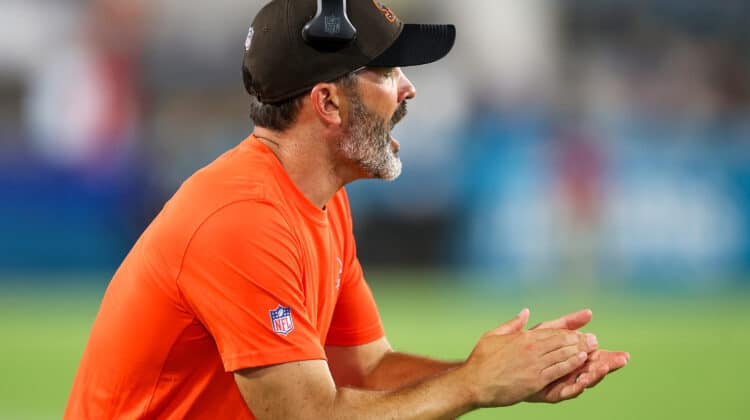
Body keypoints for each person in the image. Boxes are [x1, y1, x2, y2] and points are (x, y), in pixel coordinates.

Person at [65, 0, 629, 418]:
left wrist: (503, 374)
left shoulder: (319, 201)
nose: (408, 89)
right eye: (386, 72)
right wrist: (473, 385)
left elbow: (366, 371)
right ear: (327, 102)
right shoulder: (243, 217)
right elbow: (310, 416)